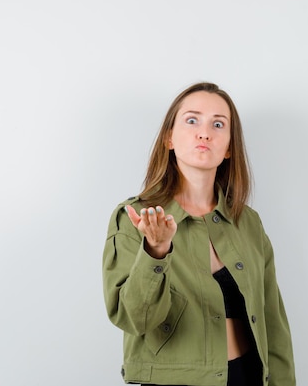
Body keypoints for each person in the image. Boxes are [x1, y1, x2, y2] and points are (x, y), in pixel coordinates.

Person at [102, 82, 296, 386]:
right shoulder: (135, 218)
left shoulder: (248, 223)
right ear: (169, 138)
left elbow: (273, 320)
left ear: (230, 146)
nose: (204, 132)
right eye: (192, 120)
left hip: (247, 376)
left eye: (218, 124)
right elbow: (134, 319)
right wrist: (155, 251)